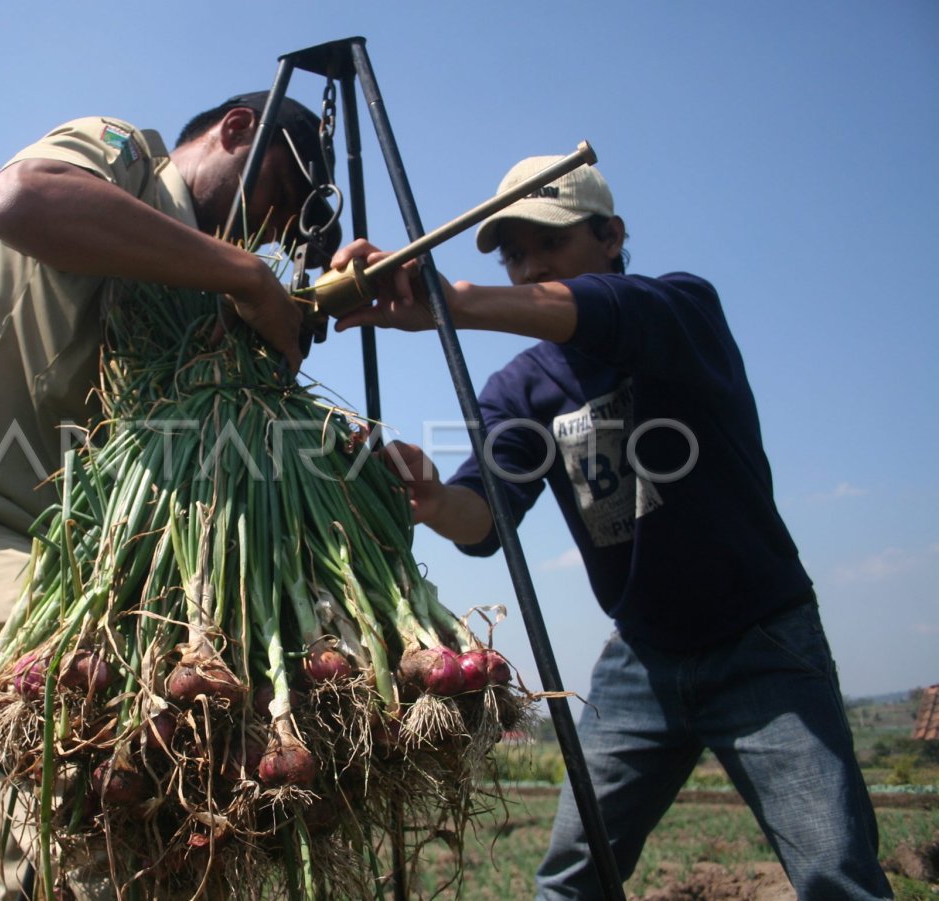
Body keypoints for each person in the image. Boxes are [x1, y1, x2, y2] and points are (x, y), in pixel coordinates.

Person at [329, 157, 892, 899]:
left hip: (762, 643)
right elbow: (484, 515)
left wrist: (450, 302)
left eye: (549, 245)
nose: (529, 268)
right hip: (642, 661)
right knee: (571, 878)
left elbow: (602, 310)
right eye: (514, 254)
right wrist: (430, 496)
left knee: (835, 876)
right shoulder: (525, 386)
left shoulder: (680, 310)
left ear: (612, 236)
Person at [0, 91, 336, 896]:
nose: (265, 236)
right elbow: (18, 199)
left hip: (53, 563)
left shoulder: (196, 292)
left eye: (281, 238)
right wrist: (248, 272)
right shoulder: (126, 158)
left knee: (69, 843)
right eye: (277, 202)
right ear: (238, 131)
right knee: (135, 766)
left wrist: (324, 297)